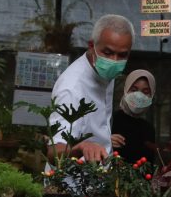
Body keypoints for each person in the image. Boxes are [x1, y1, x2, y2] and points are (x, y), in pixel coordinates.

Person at [47, 14, 134, 163]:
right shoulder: (72, 88)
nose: (114, 61)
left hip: (97, 177)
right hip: (70, 183)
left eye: (122, 55)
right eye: (108, 52)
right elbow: (53, 153)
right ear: (91, 46)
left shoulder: (104, 71)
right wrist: (81, 147)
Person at [111, 69, 156, 164]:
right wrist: (106, 142)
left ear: (152, 95)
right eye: (134, 90)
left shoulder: (148, 129)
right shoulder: (110, 121)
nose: (139, 96)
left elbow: (149, 164)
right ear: (125, 90)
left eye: (146, 91)